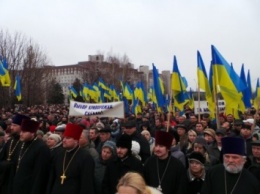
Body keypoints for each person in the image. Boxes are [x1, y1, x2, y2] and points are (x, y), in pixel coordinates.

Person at [47, 123, 95, 194]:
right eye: (64, 137)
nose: (64, 140)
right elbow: (52, 177)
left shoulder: (86, 157)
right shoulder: (58, 153)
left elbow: (86, 184)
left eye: (68, 138)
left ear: (76, 140)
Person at [12, 118, 51, 194]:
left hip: (29, 188)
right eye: (21, 131)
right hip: (18, 186)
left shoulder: (41, 148)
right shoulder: (22, 144)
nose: (21, 134)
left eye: (24, 132)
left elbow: (40, 175)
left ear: (32, 133)